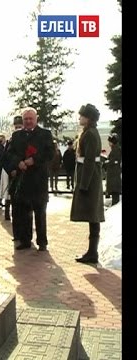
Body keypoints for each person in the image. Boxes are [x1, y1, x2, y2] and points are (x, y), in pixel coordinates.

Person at [3, 107, 54, 251]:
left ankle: (42, 241)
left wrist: (34, 160)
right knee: (24, 212)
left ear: (36, 119)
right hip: (23, 179)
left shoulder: (45, 134)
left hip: (39, 179)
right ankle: (25, 240)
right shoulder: (17, 135)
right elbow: (9, 153)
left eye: (31, 118)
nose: (28, 121)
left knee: (40, 211)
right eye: (26, 119)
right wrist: (17, 162)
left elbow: (49, 153)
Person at [70, 104, 105, 264]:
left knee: (93, 215)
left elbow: (90, 160)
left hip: (91, 178)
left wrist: (84, 184)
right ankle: (92, 251)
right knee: (93, 216)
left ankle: (93, 253)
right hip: (90, 176)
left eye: (82, 116)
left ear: (88, 118)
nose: (79, 118)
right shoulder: (89, 132)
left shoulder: (90, 134)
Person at [0, 116, 24, 223]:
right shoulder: (11, 141)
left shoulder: (28, 139)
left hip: (25, 175)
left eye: (20, 126)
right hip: (12, 175)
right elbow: (5, 159)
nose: (18, 128)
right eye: (16, 127)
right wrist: (11, 170)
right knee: (11, 197)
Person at [105, 133, 121, 206]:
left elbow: (113, 161)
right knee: (115, 195)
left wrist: (106, 163)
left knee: (115, 195)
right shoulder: (116, 149)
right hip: (114, 175)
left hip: (114, 175)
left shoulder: (115, 150)